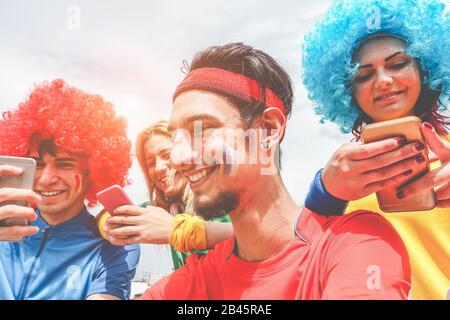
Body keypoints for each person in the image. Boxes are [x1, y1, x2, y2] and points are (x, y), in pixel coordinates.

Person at [140, 42, 411, 300]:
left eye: (202, 129)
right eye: (176, 137)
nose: (178, 158)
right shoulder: (195, 280)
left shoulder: (355, 243)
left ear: (267, 130)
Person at [302, 0, 449, 299]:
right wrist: (323, 196)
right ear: (347, 90)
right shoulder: (340, 178)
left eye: (397, 64)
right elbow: (297, 263)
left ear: (424, 70)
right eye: (364, 74)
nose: (383, 81)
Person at [0, 79, 140, 300]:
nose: (46, 179)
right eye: (37, 164)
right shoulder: (4, 228)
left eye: (64, 164)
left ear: (92, 171)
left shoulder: (114, 247)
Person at [103, 120, 232, 270]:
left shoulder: (217, 197)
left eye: (166, 155)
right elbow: (110, 214)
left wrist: (179, 231)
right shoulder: (164, 208)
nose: (158, 168)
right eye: (150, 163)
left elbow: (252, 238)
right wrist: (106, 225)